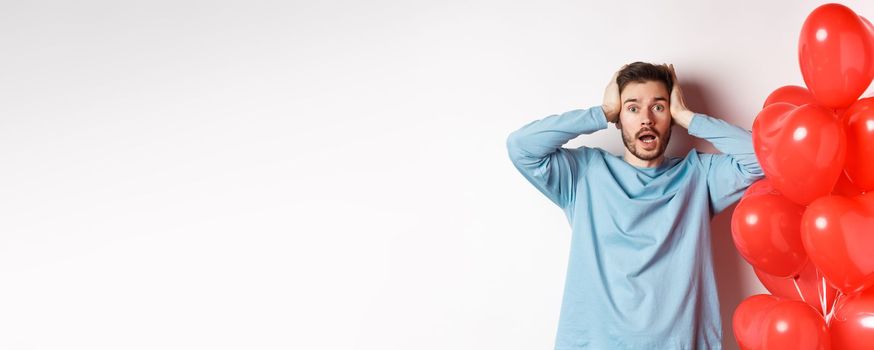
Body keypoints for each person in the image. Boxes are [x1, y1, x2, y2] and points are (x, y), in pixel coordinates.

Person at [506, 62, 764, 349]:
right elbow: (521, 147)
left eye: (658, 107)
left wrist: (688, 116)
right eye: (632, 108)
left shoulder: (698, 175)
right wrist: (601, 112)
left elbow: (763, 159)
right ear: (618, 118)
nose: (646, 120)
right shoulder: (584, 174)